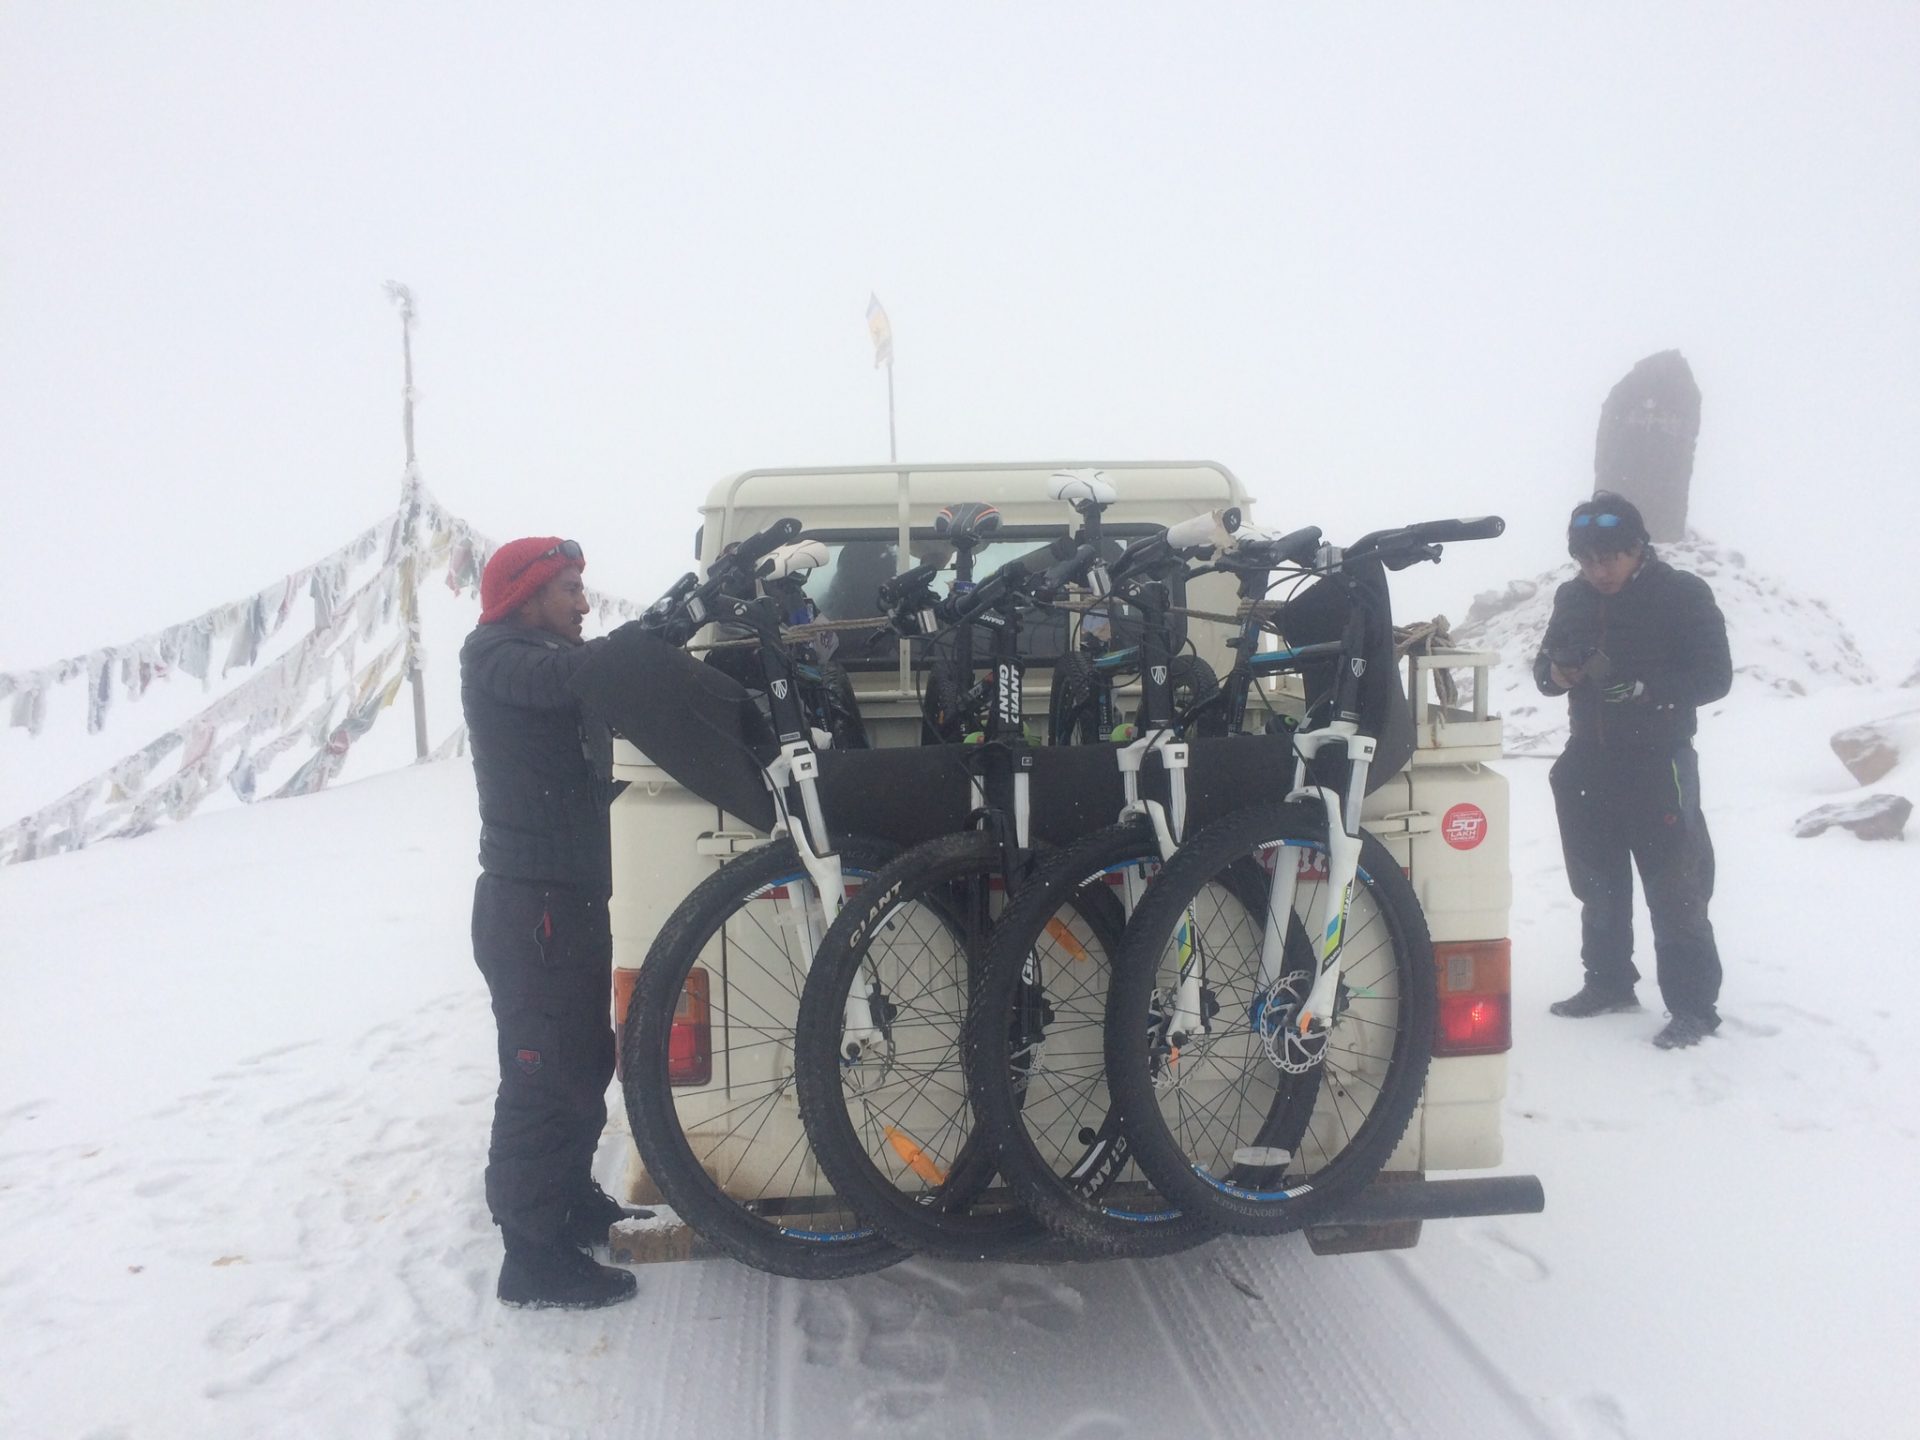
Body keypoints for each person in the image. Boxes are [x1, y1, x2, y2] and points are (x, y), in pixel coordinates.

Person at [461, 536, 645, 1308]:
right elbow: (575, 674)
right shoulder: (497, 655)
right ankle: (530, 1254)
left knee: (579, 1062)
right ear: (526, 595)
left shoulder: (537, 653)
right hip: (530, 906)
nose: (583, 601)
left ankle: (568, 1200)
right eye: (569, 587)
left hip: (563, 901)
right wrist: (655, 637)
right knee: (538, 1075)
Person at [1534, 493, 1732, 1050]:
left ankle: (1694, 1008)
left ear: (1638, 547)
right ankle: (1609, 983)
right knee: (1596, 884)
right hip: (1587, 762)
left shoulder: (1682, 594)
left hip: (1658, 761)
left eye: (1611, 559)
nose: (1599, 571)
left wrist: (1651, 693)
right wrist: (1558, 673)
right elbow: (1542, 674)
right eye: (1588, 560)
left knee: (1676, 889)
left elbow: (1716, 676)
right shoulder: (1572, 596)